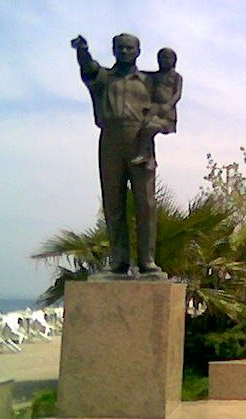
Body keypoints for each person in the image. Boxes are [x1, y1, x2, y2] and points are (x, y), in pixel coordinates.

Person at [71, 33, 170, 276]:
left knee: (145, 203)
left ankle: (147, 260)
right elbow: (89, 68)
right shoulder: (105, 78)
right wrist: (82, 50)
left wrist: (154, 126)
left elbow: (166, 105)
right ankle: (119, 259)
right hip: (110, 140)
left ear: (138, 51)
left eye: (129, 48)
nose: (125, 52)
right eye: (120, 48)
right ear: (114, 50)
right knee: (113, 202)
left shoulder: (149, 81)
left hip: (140, 141)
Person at [131, 48, 183, 166]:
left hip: (167, 112)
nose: (164, 61)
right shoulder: (155, 76)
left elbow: (177, 94)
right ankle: (147, 155)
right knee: (144, 127)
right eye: (161, 58)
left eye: (167, 58)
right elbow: (141, 74)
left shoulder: (176, 77)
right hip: (154, 109)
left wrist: (168, 105)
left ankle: (145, 155)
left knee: (150, 127)